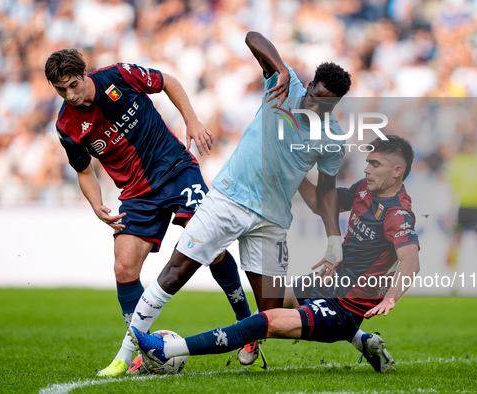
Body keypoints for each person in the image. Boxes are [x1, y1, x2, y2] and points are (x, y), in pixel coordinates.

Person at [123, 30, 352, 372]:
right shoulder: (282, 84)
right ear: (310, 84)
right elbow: (253, 37)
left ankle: (263, 334)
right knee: (173, 273)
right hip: (228, 199)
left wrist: (334, 238)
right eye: (315, 97)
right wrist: (281, 68)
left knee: (272, 315)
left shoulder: (332, 137)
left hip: (272, 219)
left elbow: (327, 191)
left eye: (326, 104)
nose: (317, 107)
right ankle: (124, 356)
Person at [129, 135, 420, 374]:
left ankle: (166, 350)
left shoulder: (397, 213)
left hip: (346, 307)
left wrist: (391, 296)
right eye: (368, 162)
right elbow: (321, 203)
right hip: (332, 284)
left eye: (376, 164)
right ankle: (365, 342)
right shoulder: (364, 191)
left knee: (263, 322)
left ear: (397, 171)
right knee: (270, 294)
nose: (367, 169)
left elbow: (410, 261)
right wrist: (295, 172)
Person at [45, 49, 252, 377]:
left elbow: (167, 81)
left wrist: (192, 121)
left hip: (176, 169)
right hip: (137, 195)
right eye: (61, 91)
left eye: (73, 85)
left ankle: (247, 328)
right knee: (123, 267)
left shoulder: (116, 76)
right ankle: (138, 350)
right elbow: (84, 171)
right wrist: (95, 203)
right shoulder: (67, 125)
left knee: (210, 247)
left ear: (85, 74)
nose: (70, 95)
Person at [445, 136, 477, 272]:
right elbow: (452, 188)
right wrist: (450, 210)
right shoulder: (457, 163)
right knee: (456, 242)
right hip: (462, 206)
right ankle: (453, 278)